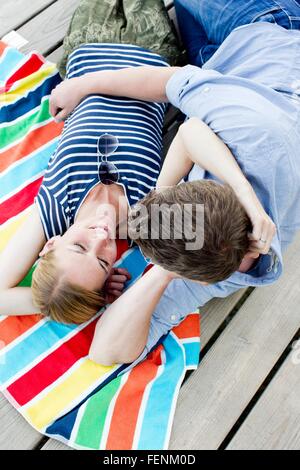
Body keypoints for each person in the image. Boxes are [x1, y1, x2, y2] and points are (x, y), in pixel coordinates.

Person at [48, 1, 300, 366]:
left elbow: (106, 351)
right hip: (255, 41)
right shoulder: (238, 130)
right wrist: (82, 85)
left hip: (244, 46)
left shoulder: (221, 264)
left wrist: (167, 270)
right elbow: (186, 126)